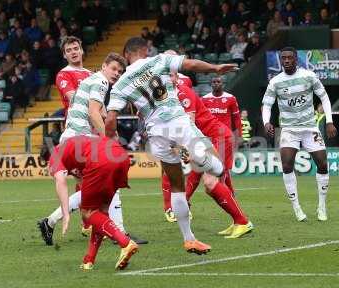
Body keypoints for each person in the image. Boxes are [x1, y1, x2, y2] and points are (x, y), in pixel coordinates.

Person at [105, 37, 237, 254]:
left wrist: (108, 142)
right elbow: (191, 65)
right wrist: (215, 67)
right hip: (178, 121)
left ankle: (189, 239)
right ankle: (199, 158)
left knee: (177, 186)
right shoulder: (158, 60)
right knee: (217, 167)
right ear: (144, 50)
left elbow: (110, 119)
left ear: (127, 54)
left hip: (156, 134)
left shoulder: (121, 83)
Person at [38, 52, 147, 246]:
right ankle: (120, 232)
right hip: (79, 140)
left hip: (73, 139)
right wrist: (108, 142)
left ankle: (49, 222)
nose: (116, 73)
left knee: (92, 189)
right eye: (113, 69)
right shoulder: (101, 82)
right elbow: (93, 112)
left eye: (120, 71)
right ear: (104, 66)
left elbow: (99, 111)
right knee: (109, 182)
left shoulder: (93, 80)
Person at [161, 72, 252, 238]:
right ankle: (238, 221)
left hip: (218, 138)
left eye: (171, 75)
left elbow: (187, 125)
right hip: (205, 141)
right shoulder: (167, 98)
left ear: (177, 78)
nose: (168, 78)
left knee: (211, 183)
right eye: (164, 75)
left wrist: (182, 149)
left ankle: (242, 222)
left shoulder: (184, 92)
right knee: (212, 184)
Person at [262, 47, 337, 222]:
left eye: (289, 58)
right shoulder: (275, 82)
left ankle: (322, 207)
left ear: (296, 59)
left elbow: (324, 97)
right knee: (287, 166)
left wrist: (329, 121)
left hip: (310, 127)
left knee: (323, 164)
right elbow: (266, 104)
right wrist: (267, 121)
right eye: (283, 58)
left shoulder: (309, 76)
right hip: (289, 129)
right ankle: (297, 208)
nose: (286, 61)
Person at [48, 135, 138, 270]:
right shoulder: (76, 143)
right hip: (120, 155)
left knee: (87, 213)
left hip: (101, 160)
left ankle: (125, 243)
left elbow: (60, 181)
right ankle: (89, 260)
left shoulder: (54, 155)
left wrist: (66, 214)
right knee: (100, 214)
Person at [55, 36, 91, 118]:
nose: (73, 52)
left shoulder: (91, 74)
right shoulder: (63, 74)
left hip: (94, 124)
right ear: (64, 55)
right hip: (76, 123)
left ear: (81, 51)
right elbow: (75, 99)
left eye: (76, 48)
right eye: (68, 50)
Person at [202, 76, 242, 142]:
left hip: (226, 134)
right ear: (211, 84)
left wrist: (239, 135)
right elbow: (202, 119)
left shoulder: (231, 98)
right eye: (214, 82)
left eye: (218, 82)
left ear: (222, 84)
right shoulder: (204, 99)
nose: (216, 83)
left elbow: (236, 118)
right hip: (211, 134)